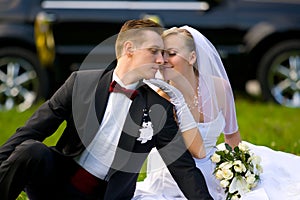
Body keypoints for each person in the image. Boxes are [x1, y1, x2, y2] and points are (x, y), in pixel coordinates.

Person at [0, 20, 213, 200]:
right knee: (31, 149)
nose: (161, 60)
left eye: (164, 53)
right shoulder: (81, 83)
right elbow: (33, 130)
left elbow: (183, 168)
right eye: (154, 51)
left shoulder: (159, 106)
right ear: (129, 49)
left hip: (104, 195)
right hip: (56, 183)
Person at [133, 26, 300, 200]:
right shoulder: (160, 100)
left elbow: (232, 136)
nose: (163, 60)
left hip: (215, 171)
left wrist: (239, 171)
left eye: (172, 53)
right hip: (175, 178)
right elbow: (197, 152)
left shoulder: (220, 87)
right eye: (161, 53)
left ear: (192, 57)